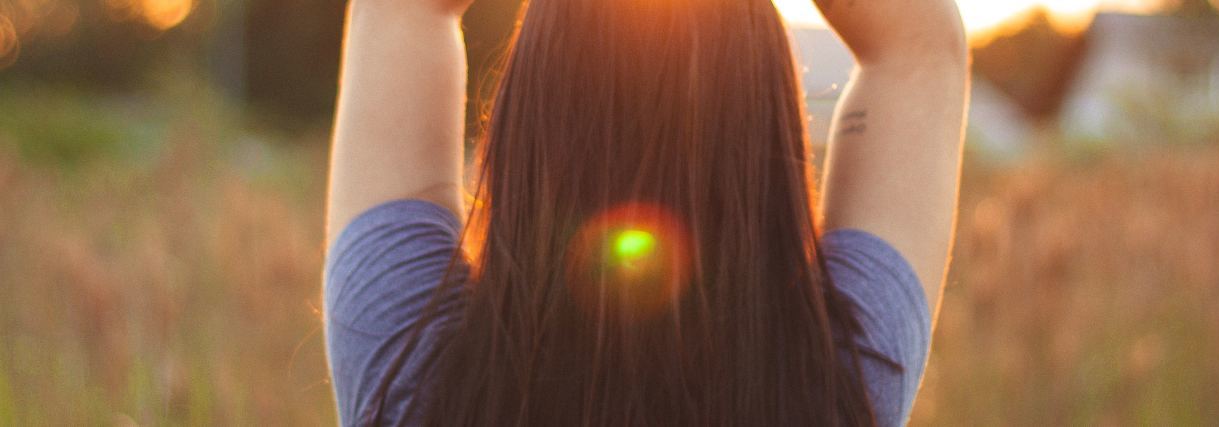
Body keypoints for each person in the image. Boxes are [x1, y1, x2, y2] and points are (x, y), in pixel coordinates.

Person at [323, 0, 968, 424]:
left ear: (529, 114)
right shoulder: (842, 388)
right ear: (766, 129)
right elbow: (918, 49)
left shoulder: (410, 383)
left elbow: (401, 11)